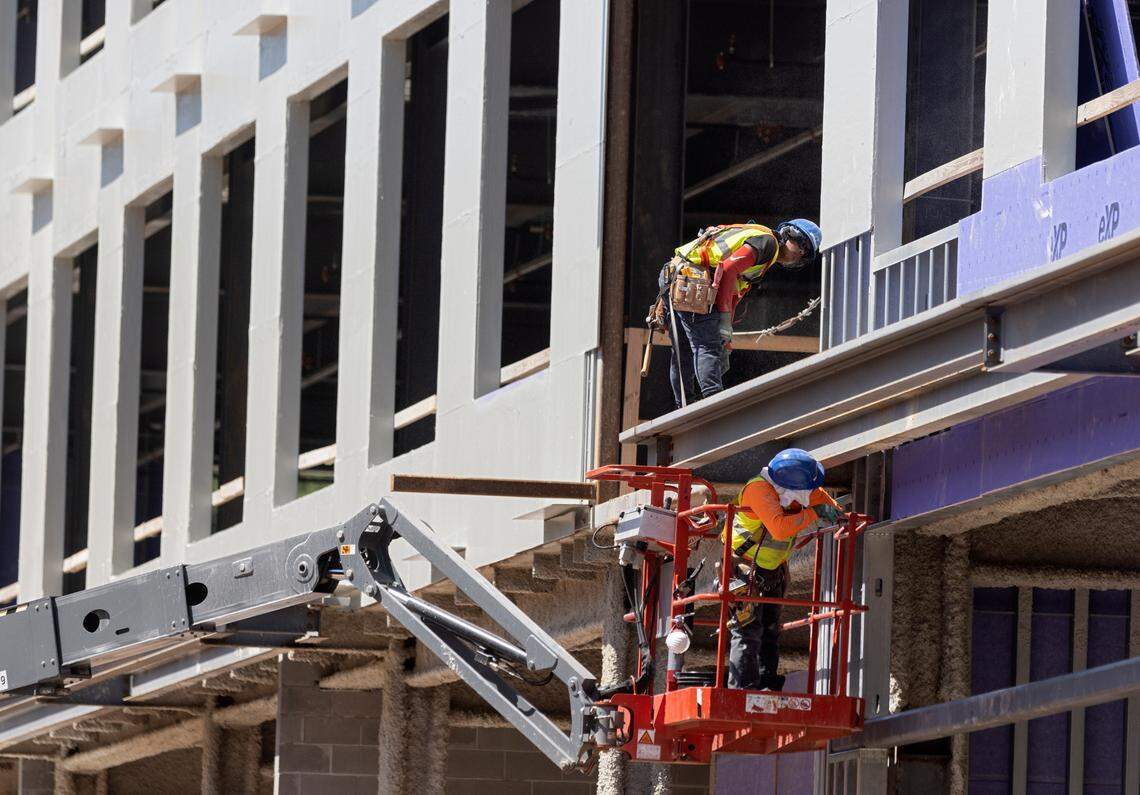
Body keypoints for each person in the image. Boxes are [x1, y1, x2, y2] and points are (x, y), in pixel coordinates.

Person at [652, 219, 823, 410]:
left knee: (684, 350)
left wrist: (726, 337)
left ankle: (684, 405)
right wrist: (722, 324)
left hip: (675, 275)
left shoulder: (763, 246)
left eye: (805, 251)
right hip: (692, 281)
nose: (800, 253)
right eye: (802, 247)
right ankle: (713, 404)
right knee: (707, 346)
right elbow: (727, 269)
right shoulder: (768, 244)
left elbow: (732, 291)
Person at [723, 448, 844, 692]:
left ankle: (768, 685)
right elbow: (779, 528)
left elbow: (825, 504)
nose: (811, 493)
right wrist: (813, 512)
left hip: (773, 570)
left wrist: (836, 514)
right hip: (744, 569)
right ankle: (743, 690)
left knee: (770, 630)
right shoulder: (759, 490)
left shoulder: (798, 489)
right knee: (748, 629)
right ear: (794, 485)